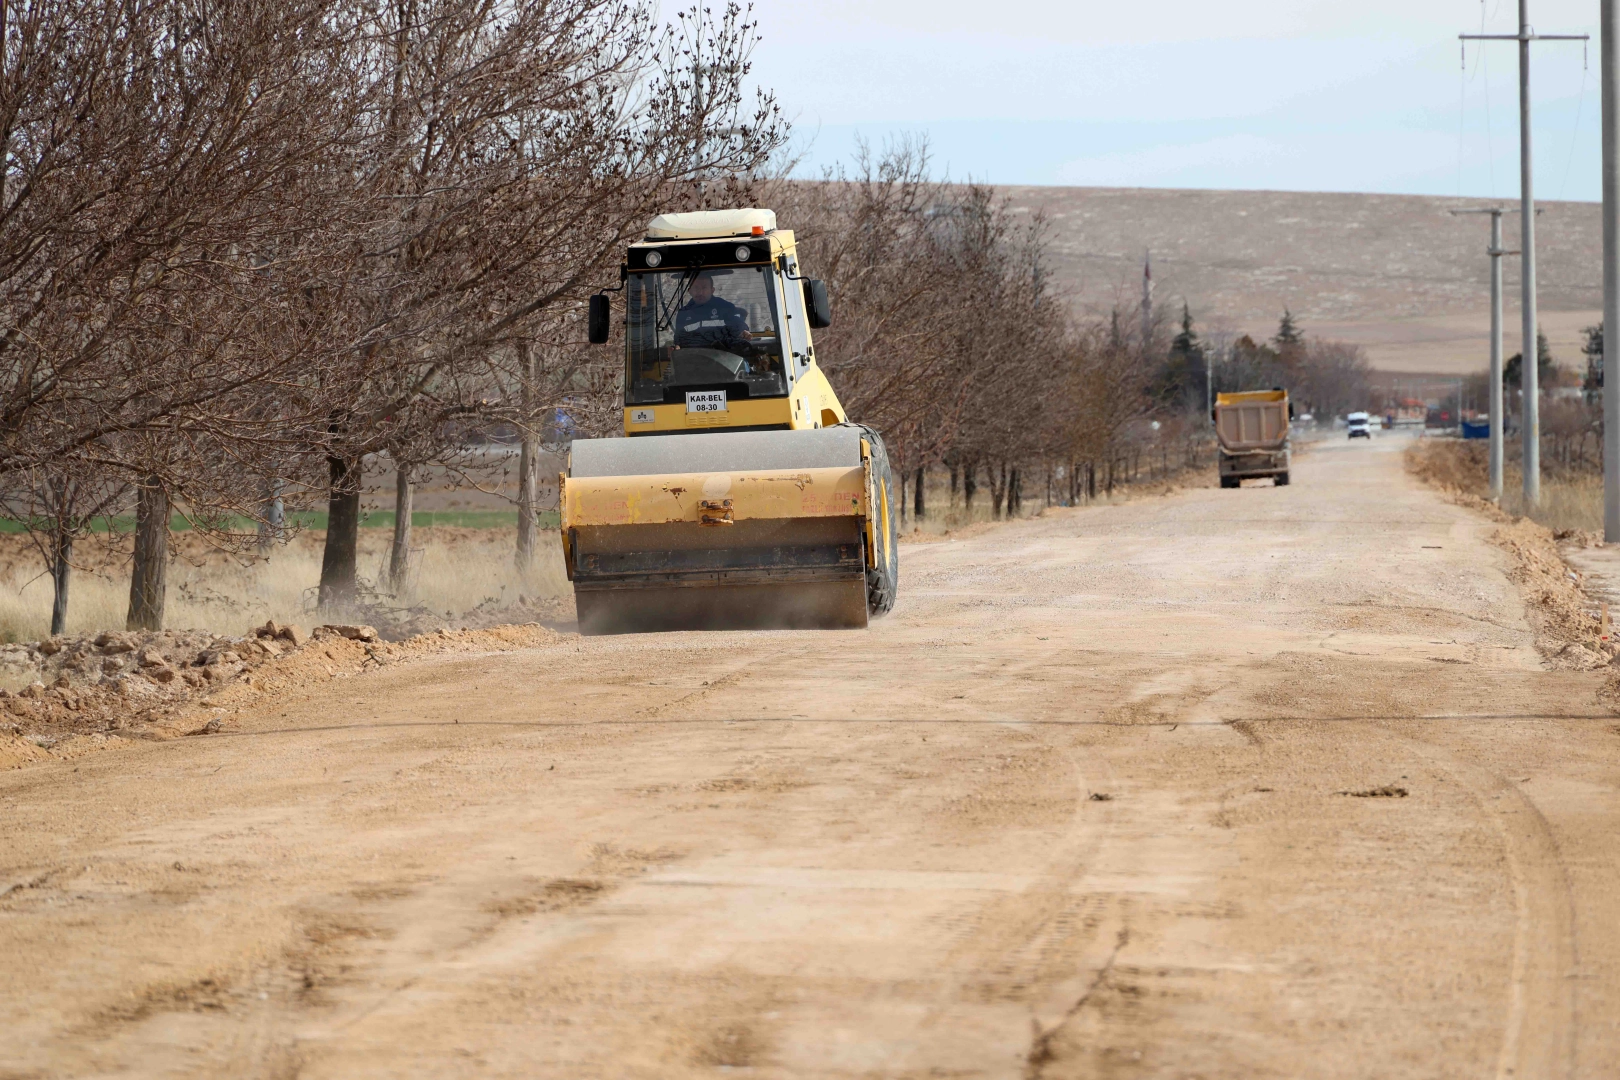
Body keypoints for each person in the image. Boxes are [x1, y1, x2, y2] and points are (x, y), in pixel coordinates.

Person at [674, 271, 752, 354]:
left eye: (704, 288)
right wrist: (676, 347)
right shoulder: (683, 314)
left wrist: (743, 331)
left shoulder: (725, 307)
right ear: (690, 291)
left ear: (712, 290)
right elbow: (679, 340)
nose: (700, 292)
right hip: (693, 360)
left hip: (724, 359)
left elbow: (736, 323)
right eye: (696, 288)